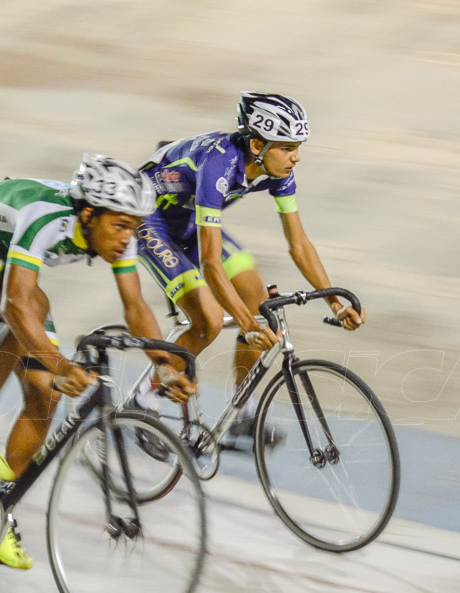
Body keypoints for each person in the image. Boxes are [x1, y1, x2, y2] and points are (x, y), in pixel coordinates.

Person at [0, 154, 195, 569]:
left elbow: (135, 305)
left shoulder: (115, 232)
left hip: (7, 268)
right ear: (89, 214)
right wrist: (60, 364)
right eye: (122, 226)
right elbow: (16, 305)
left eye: (135, 228)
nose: (129, 237)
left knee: (44, 398)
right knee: (30, 305)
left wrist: (164, 367)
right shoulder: (45, 218)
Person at [132, 91, 364, 439]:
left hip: (190, 220)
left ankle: (242, 411)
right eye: (287, 147)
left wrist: (333, 301)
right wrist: (246, 324)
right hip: (150, 221)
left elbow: (299, 244)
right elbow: (211, 263)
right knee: (208, 321)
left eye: (298, 146)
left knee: (257, 300)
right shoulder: (218, 165)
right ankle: (143, 401)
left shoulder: (278, 170)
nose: (296, 157)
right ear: (257, 144)